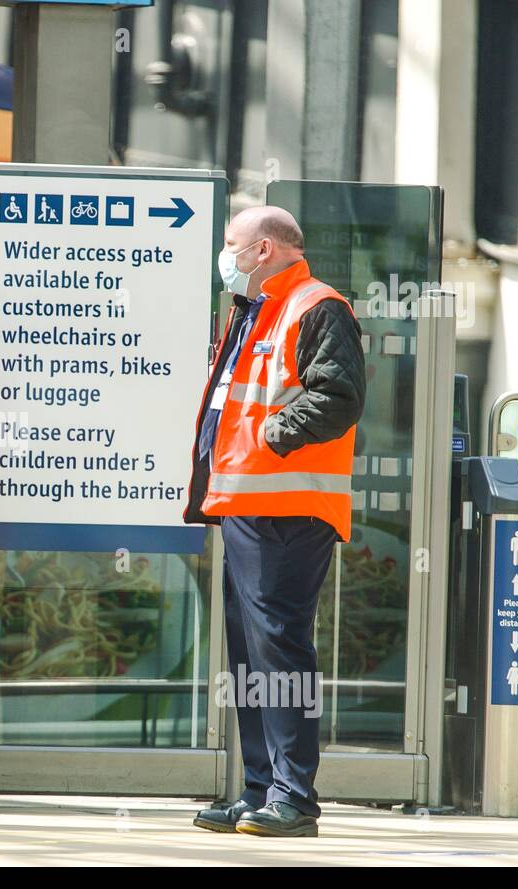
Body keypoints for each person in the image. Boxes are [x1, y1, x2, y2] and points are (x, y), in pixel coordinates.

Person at [183, 205, 365, 837]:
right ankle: (260, 788)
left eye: (231, 243)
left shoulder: (318, 305)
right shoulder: (255, 309)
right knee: (250, 656)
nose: (223, 254)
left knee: (281, 650)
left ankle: (294, 794)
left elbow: (339, 397)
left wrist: (270, 435)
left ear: (262, 250)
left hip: (287, 506)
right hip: (245, 505)